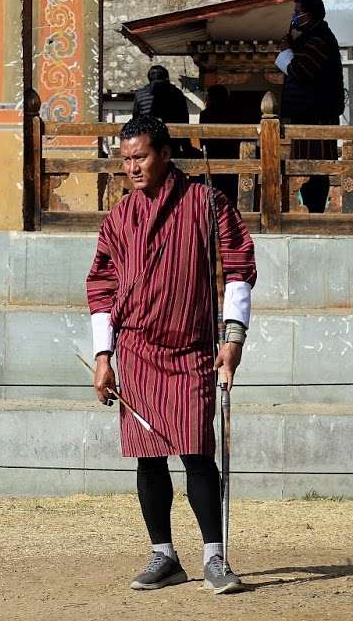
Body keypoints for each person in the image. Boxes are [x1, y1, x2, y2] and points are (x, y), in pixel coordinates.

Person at [86, 114, 257, 596]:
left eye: (140, 157)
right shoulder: (119, 217)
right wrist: (103, 355)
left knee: (197, 452)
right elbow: (101, 286)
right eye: (125, 160)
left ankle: (215, 556)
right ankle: (163, 555)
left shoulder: (206, 202)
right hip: (136, 349)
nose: (132, 168)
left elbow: (238, 267)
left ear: (164, 154)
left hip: (191, 348)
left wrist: (233, 338)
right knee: (148, 457)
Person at [274, 0, 344, 213]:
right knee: (305, 167)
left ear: (310, 15)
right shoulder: (308, 39)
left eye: (298, 13)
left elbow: (300, 71)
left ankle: (315, 211)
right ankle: (310, 209)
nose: (294, 17)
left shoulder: (319, 39)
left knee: (316, 168)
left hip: (317, 116)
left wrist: (287, 51)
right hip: (306, 116)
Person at [198, 84, 246, 207]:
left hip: (212, 155)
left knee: (214, 191)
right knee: (231, 192)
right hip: (232, 155)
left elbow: (202, 140)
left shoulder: (205, 114)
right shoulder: (236, 113)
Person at [132, 65, 194, 156]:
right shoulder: (176, 93)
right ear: (166, 77)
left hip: (147, 141)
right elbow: (184, 119)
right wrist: (187, 147)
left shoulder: (140, 94)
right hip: (171, 142)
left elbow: (135, 120)